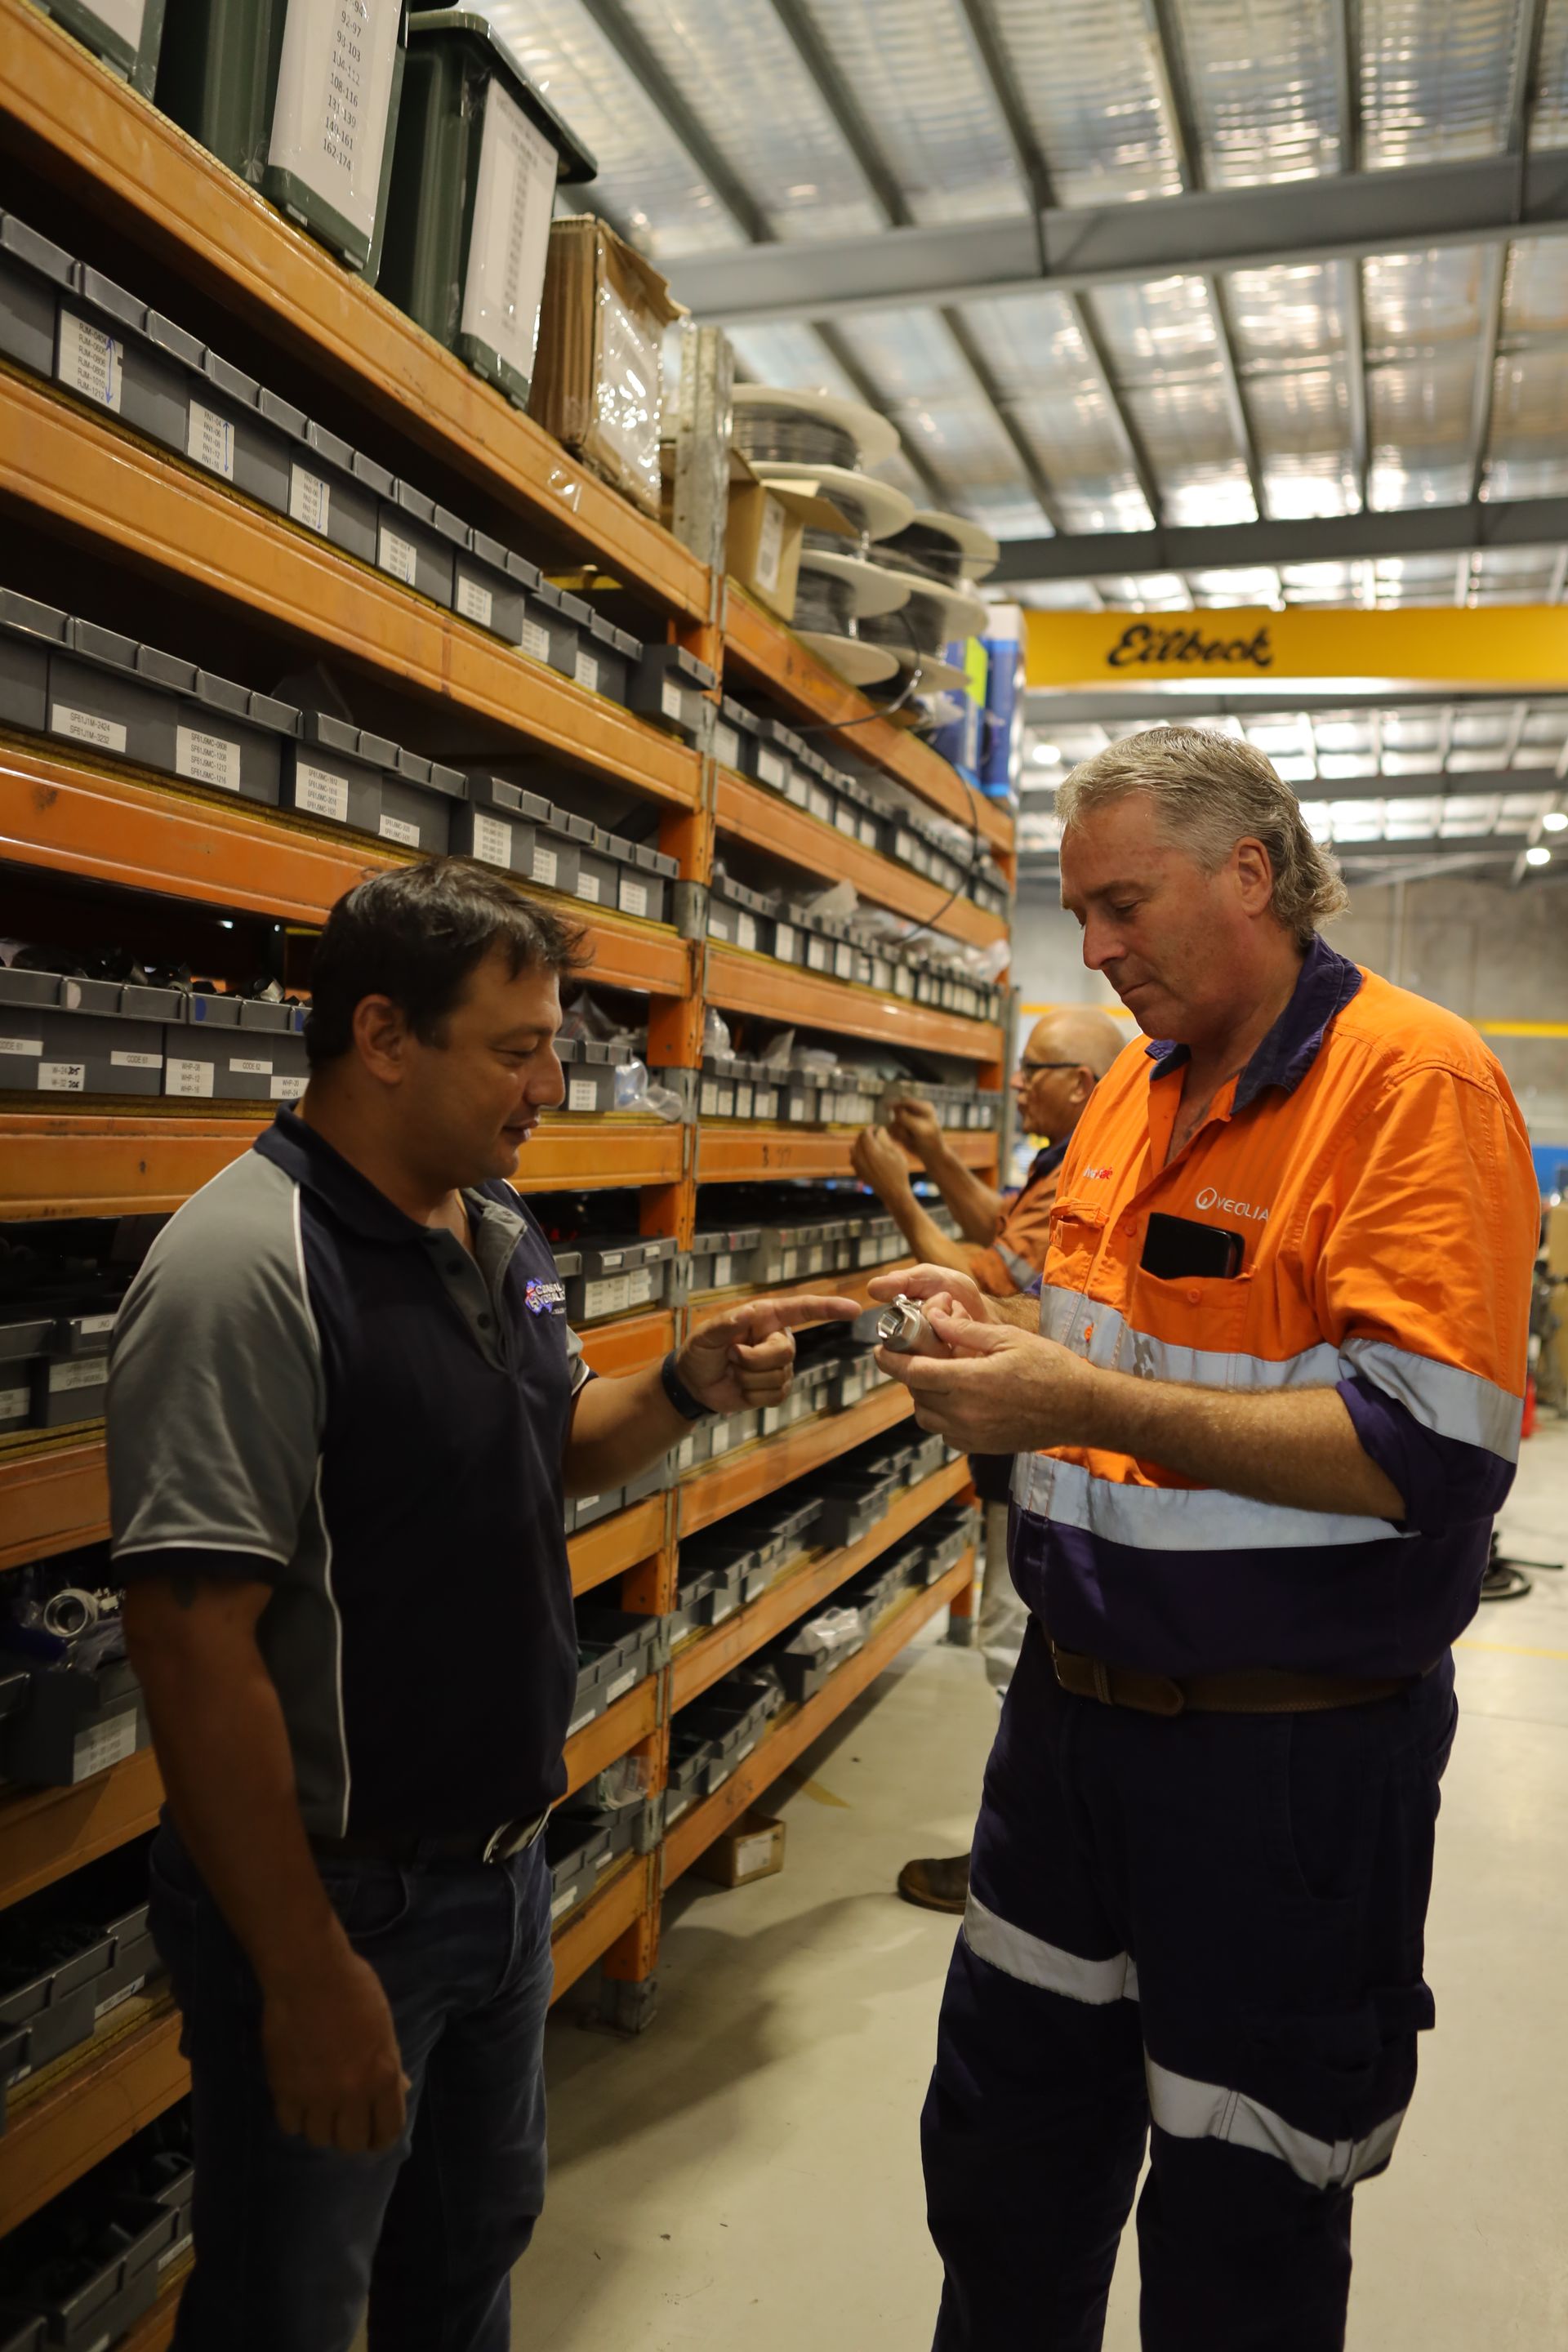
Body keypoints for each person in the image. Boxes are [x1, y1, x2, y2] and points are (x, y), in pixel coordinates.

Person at [107, 859, 856, 2352]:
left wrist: (688, 1386)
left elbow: (552, 1444)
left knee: (463, 2269)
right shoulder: (243, 1268)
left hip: (500, 1872)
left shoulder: (494, 1231)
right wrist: (305, 1974)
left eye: (555, 1045)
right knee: (289, 2305)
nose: (549, 1086)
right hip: (339, 1901)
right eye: (515, 1050)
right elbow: (194, 1654)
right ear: (384, 1036)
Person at [868, 727, 1538, 2351]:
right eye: (1077, 911)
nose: (1092, 951)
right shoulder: (1138, 1086)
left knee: (1243, 2216)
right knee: (1005, 2169)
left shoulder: (1410, 1082)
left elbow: (1434, 1451)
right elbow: (1114, 1333)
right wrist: (992, 1321)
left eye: (1119, 904)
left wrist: (1075, 1397)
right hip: (1070, 1736)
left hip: (1284, 1769)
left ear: (1249, 871)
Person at [849, 1009, 1123, 1915]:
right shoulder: (1062, 1160)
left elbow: (984, 1282)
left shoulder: (1095, 1164)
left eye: (1034, 1069)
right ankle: (1041, 1851)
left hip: (1041, 1442)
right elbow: (1003, 1239)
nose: (1017, 1083)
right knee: (1027, 1649)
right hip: (1037, 1447)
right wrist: (930, 1159)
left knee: (1022, 1653)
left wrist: (898, 1191)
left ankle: (1024, 1865)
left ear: (1082, 1084)